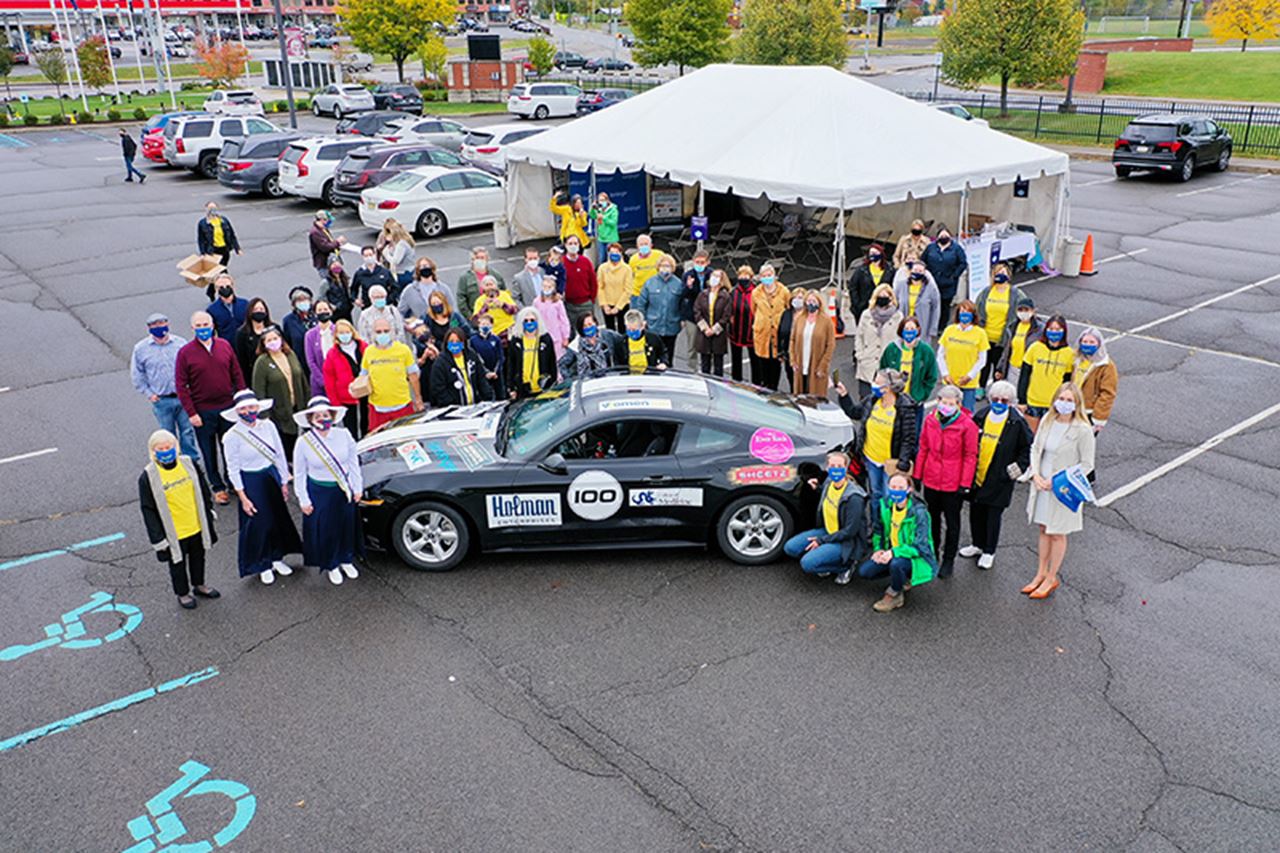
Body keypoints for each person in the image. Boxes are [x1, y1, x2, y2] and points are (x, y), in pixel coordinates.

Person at [1023, 382, 1096, 600]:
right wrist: (1036, 474)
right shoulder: (1048, 419)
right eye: (1061, 399)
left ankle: (1051, 577)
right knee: (1044, 528)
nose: (1064, 403)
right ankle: (1040, 573)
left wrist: (1056, 481)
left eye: (1069, 400)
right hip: (1041, 484)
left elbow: (1087, 464)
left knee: (1057, 533)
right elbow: (1036, 448)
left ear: (1077, 404)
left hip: (1063, 489)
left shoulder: (1083, 430)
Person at [221, 389, 302, 585]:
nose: (248, 411)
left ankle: (277, 558)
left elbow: (279, 454)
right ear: (237, 412)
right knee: (259, 523)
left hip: (270, 476)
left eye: (251, 407)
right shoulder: (232, 436)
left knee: (276, 519)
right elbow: (233, 468)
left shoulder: (268, 426)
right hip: (251, 481)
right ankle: (263, 563)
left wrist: (284, 480)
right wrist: (243, 497)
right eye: (243, 409)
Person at [138, 430, 218, 610]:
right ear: (153, 451)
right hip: (173, 531)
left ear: (176, 446)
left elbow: (203, 489)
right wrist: (158, 539)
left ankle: (199, 585)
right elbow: (148, 510)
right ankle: (182, 593)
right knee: (177, 563)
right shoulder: (148, 476)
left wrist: (208, 511)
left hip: (196, 524)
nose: (165, 451)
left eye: (169, 447)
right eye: (160, 449)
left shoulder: (189, 464)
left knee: (198, 557)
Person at [958, 380, 1033, 570]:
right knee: (976, 512)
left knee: (993, 516)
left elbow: (1027, 449)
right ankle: (977, 544)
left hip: (1000, 479)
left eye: (1004, 400)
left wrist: (1013, 472)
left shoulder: (1017, 423)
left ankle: (989, 551)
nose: (999, 403)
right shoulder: (981, 416)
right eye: (995, 399)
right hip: (978, 475)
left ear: (1011, 402)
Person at [176, 311, 245, 506]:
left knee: (230, 448)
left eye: (205, 324)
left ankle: (232, 482)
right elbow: (181, 385)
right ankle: (218, 487)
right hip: (203, 411)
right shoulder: (185, 353)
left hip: (228, 408)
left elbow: (236, 374)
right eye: (198, 325)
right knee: (209, 452)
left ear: (212, 325)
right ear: (192, 328)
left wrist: (241, 400)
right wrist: (191, 413)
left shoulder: (224, 346)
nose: (203, 328)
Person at [292, 397, 363, 586]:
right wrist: (303, 499)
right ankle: (331, 564)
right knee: (326, 529)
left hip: (343, 489)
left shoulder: (344, 434)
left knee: (346, 525)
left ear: (332, 416)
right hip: (319, 491)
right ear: (310, 420)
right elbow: (299, 473)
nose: (322, 418)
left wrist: (357, 487)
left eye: (325, 414)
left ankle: (346, 559)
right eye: (317, 416)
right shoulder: (304, 442)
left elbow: (353, 463)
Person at [914, 384, 978, 577]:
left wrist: (965, 484)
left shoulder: (967, 425)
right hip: (932, 478)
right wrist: (917, 474)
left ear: (958, 404)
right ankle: (933, 552)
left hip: (953, 481)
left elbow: (970, 456)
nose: (946, 406)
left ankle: (949, 559)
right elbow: (924, 447)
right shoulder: (930, 420)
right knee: (932, 518)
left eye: (951, 403)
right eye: (944, 402)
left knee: (952, 522)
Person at [782, 451, 870, 584]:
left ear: (846, 468)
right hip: (828, 531)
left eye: (840, 466)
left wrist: (821, 541)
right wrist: (816, 487)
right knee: (790, 548)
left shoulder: (854, 498)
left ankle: (846, 566)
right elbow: (829, 498)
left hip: (846, 541)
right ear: (827, 468)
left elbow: (850, 532)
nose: (836, 470)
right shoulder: (829, 483)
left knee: (807, 564)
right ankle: (826, 557)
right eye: (832, 466)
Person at [857, 473, 939, 613]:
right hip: (892, 552)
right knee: (865, 572)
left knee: (897, 564)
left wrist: (893, 552)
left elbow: (920, 546)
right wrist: (878, 549)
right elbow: (878, 531)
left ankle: (895, 593)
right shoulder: (885, 505)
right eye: (893, 487)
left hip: (915, 556)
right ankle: (901, 577)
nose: (896, 491)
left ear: (909, 490)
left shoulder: (919, 512)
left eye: (901, 488)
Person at [837, 370, 918, 505]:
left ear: (888, 388)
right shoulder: (872, 400)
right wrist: (844, 395)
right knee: (875, 493)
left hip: (890, 463)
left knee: (889, 497)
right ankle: (875, 518)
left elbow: (908, 439)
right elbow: (854, 412)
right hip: (871, 459)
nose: (873, 384)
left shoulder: (904, 409)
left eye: (877, 382)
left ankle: (887, 519)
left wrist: (902, 464)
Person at [131, 312, 199, 462]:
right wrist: (149, 393)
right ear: (149, 328)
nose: (159, 327)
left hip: (183, 397)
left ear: (167, 324)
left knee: (187, 432)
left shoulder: (180, 343)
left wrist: (191, 388)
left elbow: (191, 367)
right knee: (167, 434)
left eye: (161, 323)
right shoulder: (141, 348)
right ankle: (172, 462)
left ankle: (191, 461)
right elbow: (137, 374)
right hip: (162, 400)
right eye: (154, 324)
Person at [251, 326, 309, 458]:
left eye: (275, 338)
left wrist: (307, 401)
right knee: (285, 445)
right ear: (264, 344)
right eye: (269, 340)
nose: (273, 342)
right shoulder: (262, 362)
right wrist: (264, 415)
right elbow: (259, 390)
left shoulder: (290, 355)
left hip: (297, 406)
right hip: (278, 412)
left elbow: (302, 379)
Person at [360, 317, 424, 430]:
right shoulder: (368, 352)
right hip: (377, 408)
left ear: (392, 331)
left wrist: (418, 399)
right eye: (378, 332)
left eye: (386, 331)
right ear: (373, 333)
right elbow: (363, 376)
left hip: (402, 406)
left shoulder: (403, 350)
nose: (382, 334)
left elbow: (413, 376)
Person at [878, 316, 939, 427]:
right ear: (901, 330)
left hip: (914, 402)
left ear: (918, 330)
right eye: (906, 329)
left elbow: (931, 376)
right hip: (894, 401)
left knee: (913, 433)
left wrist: (922, 395)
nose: (909, 332)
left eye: (912, 329)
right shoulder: (892, 349)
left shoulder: (926, 351)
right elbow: (883, 372)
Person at [1017, 314, 1074, 432]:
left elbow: (1067, 382)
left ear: (1064, 331)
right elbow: (1024, 375)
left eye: (1058, 329)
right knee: (1030, 436)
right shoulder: (1035, 347)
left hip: (1054, 404)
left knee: (1048, 436)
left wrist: (1063, 403)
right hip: (1032, 401)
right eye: (1051, 329)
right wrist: (1022, 400)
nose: (1054, 332)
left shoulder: (1069, 354)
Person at [854, 283, 903, 399]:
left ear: (891, 298)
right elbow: (859, 336)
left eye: (885, 296)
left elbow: (901, 340)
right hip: (868, 362)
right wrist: (860, 355)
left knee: (886, 399)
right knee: (865, 399)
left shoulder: (898, 317)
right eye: (880, 296)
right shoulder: (866, 315)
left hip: (887, 364)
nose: (882, 299)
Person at [936, 300, 988, 412]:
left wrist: (969, 376)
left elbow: (982, 359)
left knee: (966, 412)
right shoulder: (949, 330)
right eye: (962, 311)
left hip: (969, 383)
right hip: (950, 380)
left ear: (973, 315)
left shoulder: (980, 333)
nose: (965, 315)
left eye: (968, 312)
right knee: (946, 411)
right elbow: (940, 355)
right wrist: (945, 374)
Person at [975, 263, 1021, 386]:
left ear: (1009, 276)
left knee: (999, 368)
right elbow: (977, 310)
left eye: (1003, 272)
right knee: (983, 365)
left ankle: (997, 389)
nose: (1000, 275)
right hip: (985, 336)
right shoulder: (986, 292)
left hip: (1003, 339)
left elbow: (1025, 308)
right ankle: (980, 388)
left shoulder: (1015, 294)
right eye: (998, 272)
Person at [322, 319, 367, 438]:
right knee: (350, 428)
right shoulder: (332, 354)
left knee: (367, 424)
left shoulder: (363, 347)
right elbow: (329, 380)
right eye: (341, 333)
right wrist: (335, 402)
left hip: (366, 392)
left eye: (347, 332)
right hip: (346, 396)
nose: (345, 335)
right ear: (336, 335)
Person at [635, 255, 684, 361]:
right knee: (652, 356)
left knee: (669, 356)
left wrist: (682, 319)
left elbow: (682, 304)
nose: (665, 268)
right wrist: (642, 320)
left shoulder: (678, 284)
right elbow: (641, 304)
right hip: (653, 326)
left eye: (668, 266)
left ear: (673, 268)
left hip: (671, 326)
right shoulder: (650, 283)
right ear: (658, 267)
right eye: (663, 265)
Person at [429, 328, 494, 407]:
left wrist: (487, 398)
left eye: (458, 341)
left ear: (463, 342)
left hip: (475, 405)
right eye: (451, 341)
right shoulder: (440, 363)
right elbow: (438, 388)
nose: (455, 344)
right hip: (454, 408)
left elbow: (481, 379)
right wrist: (450, 404)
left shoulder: (472, 356)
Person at [921, 225, 968, 333]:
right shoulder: (931, 247)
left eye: (946, 236)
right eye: (941, 236)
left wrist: (954, 275)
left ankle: (941, 327)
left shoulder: (957, 249)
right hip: (931, 282)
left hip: (948, 284)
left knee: (944, 306)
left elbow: (962, 263)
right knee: (930, 304)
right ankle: (928, 324)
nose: (943, 238)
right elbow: (923, 260)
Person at [750, 266, 789, 391]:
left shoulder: (784, 291)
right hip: (762, 334)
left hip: (777, 333)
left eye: (769, 275)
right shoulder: (756, 292)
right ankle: (765, 388)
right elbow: (753, 310)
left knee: (775, 365)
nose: (767, 278)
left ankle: (773, 389)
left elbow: (788, 308)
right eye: (764, 276)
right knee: (763, 364)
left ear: (774, 275)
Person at [789, 289, 834, 396]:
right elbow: (792, 340)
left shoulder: (826, 321)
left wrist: (823, 365)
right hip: (800, 365)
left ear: (819, 302)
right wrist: (793, 360)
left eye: (814, 301)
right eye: (808, 301)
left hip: (816, 366)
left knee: (815, 398)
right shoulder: (799, 318)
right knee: (800, 396)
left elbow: (830, 345)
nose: (811, 304)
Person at [1074, 327, 1118, 435]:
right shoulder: (1076, 360)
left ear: (1099, 344)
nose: (1087, 344)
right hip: (1072, 407)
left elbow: (1107, 394)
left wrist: (1098, 418)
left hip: (1088, 411)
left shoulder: (1106, 366)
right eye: (1085, 341)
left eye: (1091, 342)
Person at [507, 308, 558, 398]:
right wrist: (511, 387)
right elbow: (511, 364)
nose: (529, 323)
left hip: (543, 388)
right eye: (526, 320)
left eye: (532, 320)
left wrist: (553, 383)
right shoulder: (516, 340)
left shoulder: (545, 339)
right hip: (522, 389)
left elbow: (552, 362)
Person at [995, 296, 1042, 389]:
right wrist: (1000, 368)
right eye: (1020, 310)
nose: (1023, 312)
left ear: (1033, 311)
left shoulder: (1040, 329)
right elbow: (1007, 350)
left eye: (1026, 310)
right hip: (1012, 368)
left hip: (1028, 370)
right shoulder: (1013, 327)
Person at [893, 260, 941, 346]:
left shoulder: (931, 288)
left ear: (924, 273)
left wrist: (933, 329)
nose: (917, 273)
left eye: (920, 271)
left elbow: (936, 308)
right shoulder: (901, 285)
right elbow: (894, 304)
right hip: (903, 324)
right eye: (915, 270)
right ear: (911, 271)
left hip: (922, 326)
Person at [693, 270, 730, 376]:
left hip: (718, 334)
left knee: (718, 365)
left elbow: (726, 315)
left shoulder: (725, 296)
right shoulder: (703, 294)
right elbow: (697, 311)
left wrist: (714, 329)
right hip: (704, 334)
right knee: (705, 364)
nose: (714, 278)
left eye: (717, 276)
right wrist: (705, 328)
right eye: (713, 275)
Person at [680, 251, 712, 371]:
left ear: (708, 262)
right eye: (697, 262)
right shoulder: (688, 275)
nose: (699, 265)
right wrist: (688, 286)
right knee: (692, 345)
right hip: (692, 315)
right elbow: (683, 295)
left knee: (707, 345)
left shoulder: (712, 274)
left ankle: (707, 369)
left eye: (702, 262)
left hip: (708, 315)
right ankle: (692, 370)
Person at [558, 313, 616, 380]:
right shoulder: (575, 345)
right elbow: (562, 365)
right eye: (584, 326)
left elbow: (621, 348)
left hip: (608, 379)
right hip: (586, 382)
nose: (588, 327)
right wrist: (571, 380)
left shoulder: (607, 336)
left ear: (596, 323)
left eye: (590, 324)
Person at [848, 243, 893, 322]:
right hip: (864, 306)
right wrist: (857, 304)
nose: (873, 255)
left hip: (883, 306)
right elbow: (853, 287)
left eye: (875, 253)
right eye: (871, 253)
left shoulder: (890, 270)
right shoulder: (861, 270)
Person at [727, 266, 757, 383]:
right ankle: (736, 381)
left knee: (755, 361)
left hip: (751, 331)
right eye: (741, 275)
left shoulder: (756, 292)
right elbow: (729, 309)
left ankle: (756, 384)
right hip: (736, 331)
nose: (743, 278)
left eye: (746, 275)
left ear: (751, 277)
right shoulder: (733, 292)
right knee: (736, 359)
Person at [597, 243, 634, 335]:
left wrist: (618, 307)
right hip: (607, 305)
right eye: (612, 252)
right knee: (609, 331)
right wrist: (604, 305)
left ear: (621, 253)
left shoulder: (627, 269)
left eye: (617, 252)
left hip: (623, 304)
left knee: (623, 330)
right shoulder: (602, 268)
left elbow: (628, 290)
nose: (614, 254)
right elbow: (600, 287)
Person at [561, 235, 596, 328]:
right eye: (570, 243)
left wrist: (591, 299)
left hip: (585, 304)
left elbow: (593, 282)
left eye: (575, 243)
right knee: (571, 330)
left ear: (579, 245)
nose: (573, 246)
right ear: (565, 245)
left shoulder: (586, 261)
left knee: (588, 329)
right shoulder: (561, 263)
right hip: (569, 305)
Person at [280, 286, 316, 379]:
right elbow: (288, 342)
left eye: (305, 299)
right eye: (299, 300)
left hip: (316, 359)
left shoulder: (316, 317)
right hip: (300, 360)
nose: (303, 302)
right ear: (294, 304)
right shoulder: (288, 321)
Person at [233, 297, 272, 382]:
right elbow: (241, 360)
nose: (259, 311)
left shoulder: (274, 328)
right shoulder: (242, 333)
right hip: (253, 375)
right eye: (255, 309)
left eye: (261, 309)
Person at [532, 275, 571, 358]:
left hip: (556, 337)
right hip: (541, 336)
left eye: (549, 287)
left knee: (558, 358)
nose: (546, 289)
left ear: (554, 288)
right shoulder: (536, 302)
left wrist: (565, 337)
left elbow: (564, 320)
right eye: (544, 286)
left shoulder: (558, 303)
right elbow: (534, 318)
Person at [303, 300, 336, 397]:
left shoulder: (338, 330)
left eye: (325, 309)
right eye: (319, 310)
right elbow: (311, 362)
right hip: (319, 383)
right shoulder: (310, 335)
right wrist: (323, 381)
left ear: (331, 311)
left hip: (338, 379)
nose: (323, 312)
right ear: (315, 313)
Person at [196, 201, 240, 274]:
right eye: (210, 208)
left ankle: (222, 278)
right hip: (213, 251)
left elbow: (232, 234)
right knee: (218, 270)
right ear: (206, 208)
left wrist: (237, 248)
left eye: (214, 208)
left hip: (224, 249)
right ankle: (223, 279)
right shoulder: (203, 223)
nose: (212, 210)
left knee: (222, 268)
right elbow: (201, 240)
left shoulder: (223, 220)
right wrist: (202, 253)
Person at [457, 247, 504, 313]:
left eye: (482, 258)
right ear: (472, 260)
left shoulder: (496, 275)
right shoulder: (465, 278)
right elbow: (461, 300)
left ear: (487, 259)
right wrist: (471, 316)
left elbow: (505, 293)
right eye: (477, 258)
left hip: (496, 314)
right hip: (476, 314)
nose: (479, 260)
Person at [469, 314, 506, 398]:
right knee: (485, 396)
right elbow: (474, 357)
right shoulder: (473, 340)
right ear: (479, 325)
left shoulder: (496, 339)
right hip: (482, 375)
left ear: (491, 325)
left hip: (496, 374)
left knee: (500, 395)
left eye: (487, 324)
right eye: (483, 324)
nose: (485, 326)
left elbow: (500, 357)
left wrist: (495, 372)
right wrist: (485, 372)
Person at [352, 244, 397, 309]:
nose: (369, 257)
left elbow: (395, 288)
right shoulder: (359, 273)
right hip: (368, 306)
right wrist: (355, 300)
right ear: (363, 257)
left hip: (384, 305)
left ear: (374, 255)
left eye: (370, 255)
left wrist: (388, 300)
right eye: (366, 256)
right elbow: (353, 289)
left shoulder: (384, 271)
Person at [207, 274, 248, 341]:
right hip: (227, 345)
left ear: (232, 286)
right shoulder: (212, 310)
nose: (225, 289)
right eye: (221, 287)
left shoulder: (245, 304)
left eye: (228, 286)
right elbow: (211, 333)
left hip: (246, 343)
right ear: (216, 289)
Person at [309, 210, 346, 281]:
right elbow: (325, 247)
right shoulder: (315, 232)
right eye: (328, 220)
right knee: (329, 283)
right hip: (324, 264)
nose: (329, 222)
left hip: (331, 261)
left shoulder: (323, 229)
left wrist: (337, 245)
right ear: (322, 220)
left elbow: (330, 241)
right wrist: (337, 242)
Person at [377, 218, 416, 287]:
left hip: (404, 273)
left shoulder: (401, 244)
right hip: (409, 271)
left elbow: (395, 261)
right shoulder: (405, 240)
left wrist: (386, 253)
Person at [777, 290, 802, 392]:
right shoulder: (786, 314)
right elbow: (780, 332)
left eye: (800, 298)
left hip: (802, 353)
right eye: (795, 297)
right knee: (791, 379)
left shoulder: (808, 316)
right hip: (789, 353)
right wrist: (780, 351)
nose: (797, 300)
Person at [628, 233, 665, 299]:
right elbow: (631, 276)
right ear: (637, 246)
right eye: (641, 244)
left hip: (656, 292)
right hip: (638, 294)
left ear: (651, 245)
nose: (643, 246)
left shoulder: (659, 255)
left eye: (646, 244)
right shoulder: (633, 259)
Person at [589, 191, 619, 265]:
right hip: (601, 238)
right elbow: (592, 216)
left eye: (603, 200)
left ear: (607, 200)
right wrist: (592, 208)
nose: (601, 202)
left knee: (611, 259)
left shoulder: (613, 209)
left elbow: (613, 223)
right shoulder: (599, 209)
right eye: (600, 200)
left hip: (611, 238)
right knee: (601, 259)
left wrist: (603, 218)